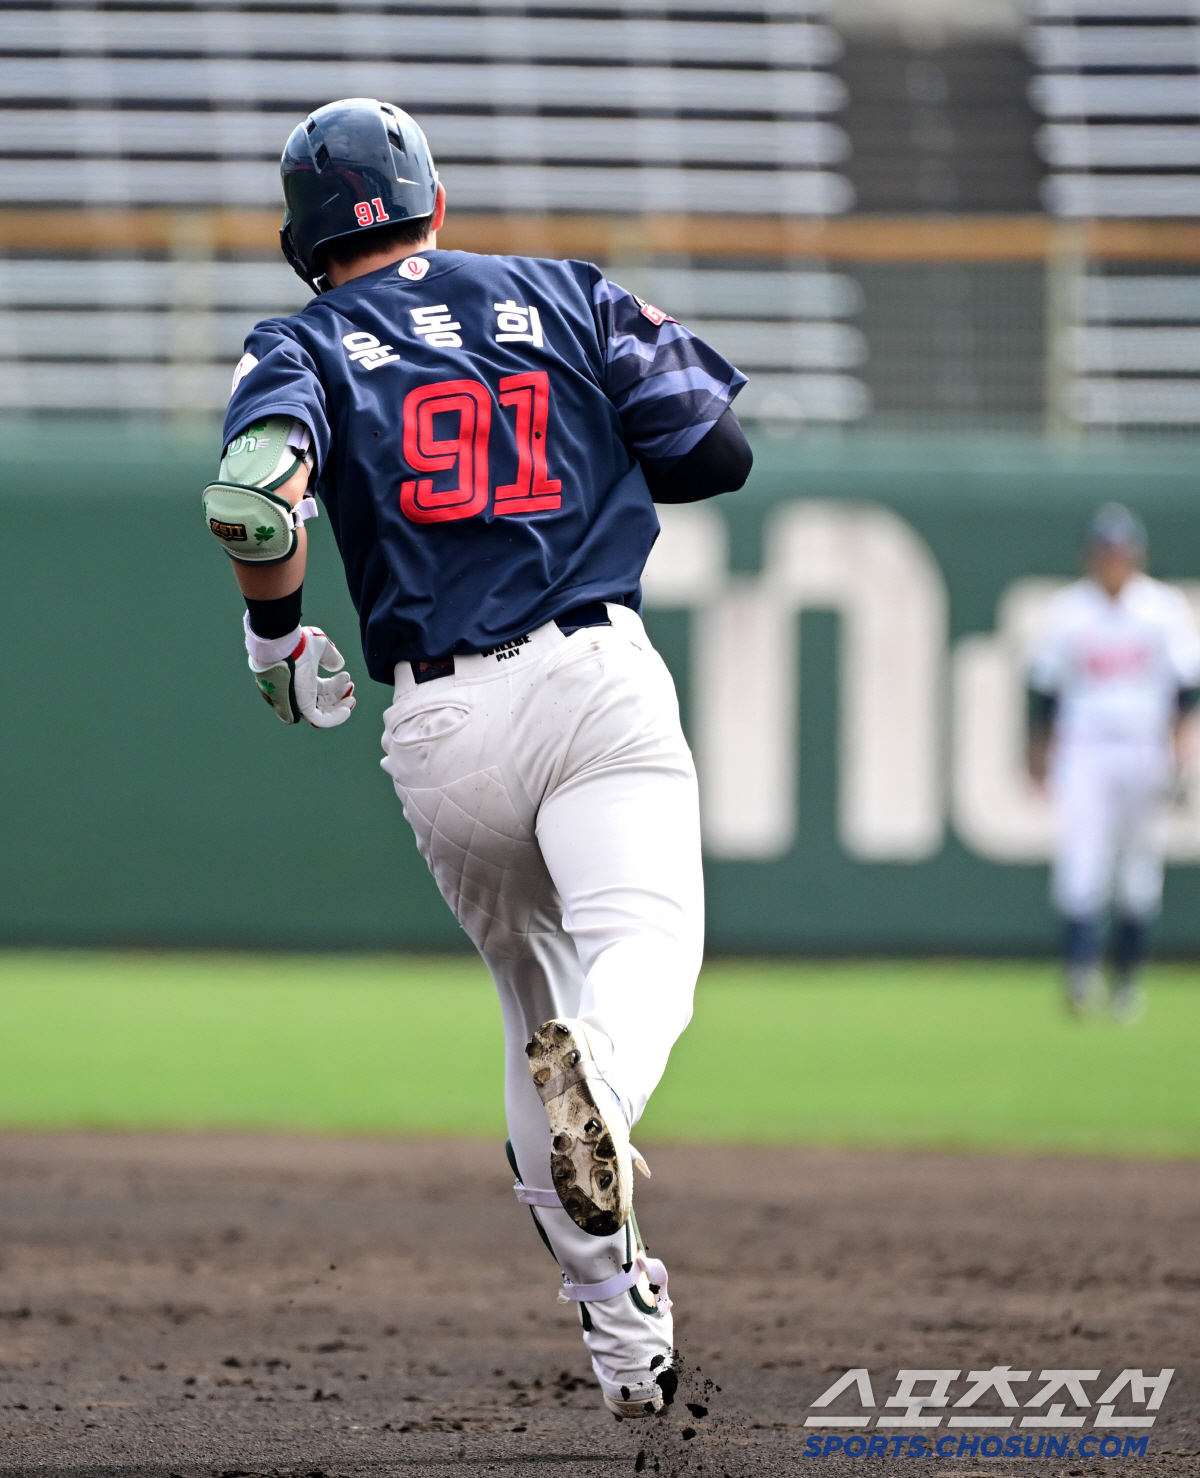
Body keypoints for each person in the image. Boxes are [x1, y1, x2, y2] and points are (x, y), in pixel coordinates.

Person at [200, 98, 751, 1417]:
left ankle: (624, 1338)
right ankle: (602, 1081)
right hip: (592, 673)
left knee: (527, 1001)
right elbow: (713, 448)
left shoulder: (301, 341)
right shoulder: (564, 293)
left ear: (301, 242)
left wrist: (275, 639)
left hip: (441, 721)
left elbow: (252, 498)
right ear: (432, 201)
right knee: (642, 945)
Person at [1026, 503, 1200, 1022]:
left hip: (1144, 745)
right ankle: (1079, 975)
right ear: (1090, 556)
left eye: (1119, 551)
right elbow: (1045, 689)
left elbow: (1186, 687)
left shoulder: (1161, 608)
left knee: (1138, 869)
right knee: (1082, 861)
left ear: (1136, 555)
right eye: (1104, 551)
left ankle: (1126, 980)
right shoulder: (1070, 611)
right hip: (1085, 746)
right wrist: (1038, 750)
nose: (1111, 560)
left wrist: (1180, 746)